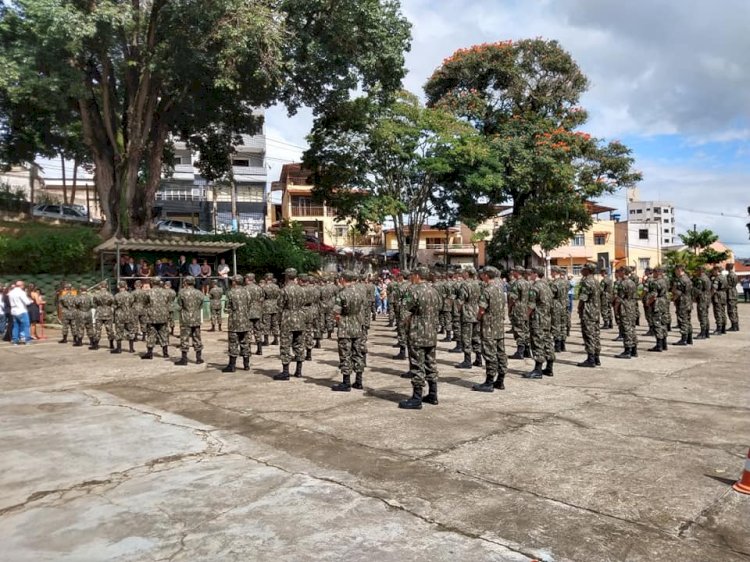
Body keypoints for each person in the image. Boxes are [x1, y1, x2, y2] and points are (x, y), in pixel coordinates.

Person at [398, 266, 441, 410]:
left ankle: (417, 398)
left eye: (412, 275)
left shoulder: (413, 290)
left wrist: (406, 325)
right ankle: (433, 394)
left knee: (417, 365)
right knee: (431, 364)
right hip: (431, 332)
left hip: (418, 332)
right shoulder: (434, 290)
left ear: (417, 276)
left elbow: (404, 312)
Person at [472, 266, 508, 392]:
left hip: (489, 326)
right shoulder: (500, 289)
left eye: (483, 274)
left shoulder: (487, 290)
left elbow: (482, 310)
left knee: (489, 353)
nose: (481, 276)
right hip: (498, 325)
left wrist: (477, 318)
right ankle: (501, 379)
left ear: (486, 275)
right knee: (500, 352)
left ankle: (489, 382)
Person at [331, 270, 366, 392]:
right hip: (357, 325)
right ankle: (359, 381)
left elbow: (336, 312)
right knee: (358, 353)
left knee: (345, 354)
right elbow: (363, 309)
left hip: (345, 327)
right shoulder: (361, 292)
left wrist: (339, 320)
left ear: (343, 279)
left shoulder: (342, 293)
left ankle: (346, 382)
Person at [274, 268, 307, 381]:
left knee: (285, 345)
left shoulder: (284, 290)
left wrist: (278, 321)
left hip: (288, 319)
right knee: (299, 345)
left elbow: (279, 306)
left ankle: (285, 372)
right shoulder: (302, 290)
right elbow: (304, 304)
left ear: (287, 277)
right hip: (300, 319)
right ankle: (298, 371)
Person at [525, 267, 556, 377]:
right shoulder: (547, 286)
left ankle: (538, 370)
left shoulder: (535, 287)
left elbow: (531, 305)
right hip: (547, 318)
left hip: (537, 319)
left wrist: (526, 316)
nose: (530, 276)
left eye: (531, 273)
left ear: (535, 274)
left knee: (537, 342)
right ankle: (549, 367)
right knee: (547, 341)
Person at [222, 274, 252, 373]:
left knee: (233, 343)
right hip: (245, 320)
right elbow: (249, 305)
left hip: (234, 322)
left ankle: (232, 365)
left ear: (235, 282)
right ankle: (246, 365)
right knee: (245, 343)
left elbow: (227, 309)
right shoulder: (247, 292)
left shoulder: (230, 293)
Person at [455, 267, 482, 370]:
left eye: (464, 272)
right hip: (476, 312)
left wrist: (458, 309)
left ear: (467, 273)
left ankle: (467, 361)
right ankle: (478, 359)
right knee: (476, 337)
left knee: (466, 338)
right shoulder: (478, 284)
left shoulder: (465, 284)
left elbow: (461, 300)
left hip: (467, 313)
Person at [175, 276, 205, 366]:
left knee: (184, 338)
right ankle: (198, 358)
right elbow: (201, 305)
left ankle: (184, 359)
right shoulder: (199, 293)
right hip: (196, 318)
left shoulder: (182, 292)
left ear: (186, 282)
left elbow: (179, 305)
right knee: (197, 338)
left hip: (185, 318)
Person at [576, 263, 602, 367]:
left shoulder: (587, 281)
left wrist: (579, 308)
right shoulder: (596, 281)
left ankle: (590, 359)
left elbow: (583, 298)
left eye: (584, 268)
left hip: (588, 311)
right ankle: (596, 358)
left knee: (588, 334)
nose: (582, 270)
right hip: (595, 311)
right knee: (595, 333)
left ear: (588, 270)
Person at [141, 278, 171, 359]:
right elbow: (167, 302)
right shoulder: (165, 292)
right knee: (163, 334)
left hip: (152, 316)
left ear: (152, 283)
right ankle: (165, 353)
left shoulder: (148, 293)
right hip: (163, 316)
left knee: (151, 334)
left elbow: (144, 303)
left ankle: (149, 353)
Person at [613, 267, 639, 359]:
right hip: (632, 306)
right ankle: (634, 350)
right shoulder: (632, 282)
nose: (618, 273)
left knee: (626, 329)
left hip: (624, 307)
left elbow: (619, 298)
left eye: (619, 271)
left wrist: (616, 309)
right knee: (632, 328)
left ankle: (627, 350)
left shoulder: (622, 283)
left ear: (623, 272)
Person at [508, 266, 531, 360]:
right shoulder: (527, 283)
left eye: (514, 271)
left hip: (518, 309)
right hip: (526, 308)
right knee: (526, 330)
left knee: (519, 330)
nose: (512, 272)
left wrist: (509, 308)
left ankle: (520, 352)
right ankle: (527, 351)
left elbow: (513, 298)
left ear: (517, 272)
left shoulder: (516, 284)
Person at [647, 267, 670, 352]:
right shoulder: (664, 281)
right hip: (664, 303)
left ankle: (659, 345)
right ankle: (664, 344)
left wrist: (648, 302)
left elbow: (654, 295)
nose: (653, 274)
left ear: (657, 273)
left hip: (657, 304)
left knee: (657, 324)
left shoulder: (655, 283)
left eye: (654, 272)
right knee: (663, 323)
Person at [671, 264, 693, 346]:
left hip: (682, 302)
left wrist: (674, 298)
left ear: (679, 270)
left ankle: (684, 339)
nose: (675, 272)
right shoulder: (688, 278)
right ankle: (689, 338)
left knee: (682, 320)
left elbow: (678, 292)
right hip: (688, 301)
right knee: (687, 320)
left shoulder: (680, 280)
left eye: (676, 270)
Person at [112, 280, 136, 354]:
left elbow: (114, 306)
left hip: (119, 315)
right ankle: (131, 348)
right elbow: (132, 304)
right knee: (130, 330)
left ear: (119, 287)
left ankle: (119, 349)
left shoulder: (116, 296)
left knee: (119, 331)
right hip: (129, 314)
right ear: (126, 286)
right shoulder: (130, 295)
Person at [244, 273, 265, 356]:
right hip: (257, 311)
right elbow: (262, 298)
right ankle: (259, 349)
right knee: (258, 330)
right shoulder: (259, 288)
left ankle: (248, 350)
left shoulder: (245, 289)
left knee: (248, 331)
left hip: (248, 312)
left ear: (248, 279)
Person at [91, 282, 115, 350]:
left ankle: (96, 345)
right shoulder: (110, 294)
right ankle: (111, 344)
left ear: (100, 287)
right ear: (107, 286)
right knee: (110, 329)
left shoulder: (96, 295)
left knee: (98, 329)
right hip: (108, 313)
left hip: (99, 313)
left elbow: (94, 304)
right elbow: (113, 303)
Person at [8, 281, 33, 345]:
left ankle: (15, 340)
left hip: (13, 310)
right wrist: (31, 301)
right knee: (26, 326)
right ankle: (27, 340)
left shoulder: (11, 292)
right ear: (21, 285)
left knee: (15, 326)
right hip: (22, 310)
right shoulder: (21, 292)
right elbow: (27, 302)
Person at [261, 274, 280, 344]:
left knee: (266, 323)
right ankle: (276, 339)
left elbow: (262, 297)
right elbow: (279, 296)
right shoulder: (276, 287)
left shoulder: (264, 287)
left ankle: (266, 340)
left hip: (267, 306)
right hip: (275, 305)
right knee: (275, 323)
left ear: (266, 279)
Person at [710, 265, 727, 335]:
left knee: (718, 312)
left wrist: (709, 296)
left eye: (713, 270)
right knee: (723, 312)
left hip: (718, 296)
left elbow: (714, 289)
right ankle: (723, 328)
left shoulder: (717, 278)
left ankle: (719, 329)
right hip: (723, 295)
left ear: (717, 270)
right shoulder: (724, 277)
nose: (712, 272)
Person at [725, 263, 739, 331]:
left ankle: (734, 325)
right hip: (734, 292)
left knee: (731, 310)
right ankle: (736, 325)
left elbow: (728, 284)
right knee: (734, 310)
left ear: (728, 267)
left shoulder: (729, 275)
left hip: (730, 293)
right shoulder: (735, 275)